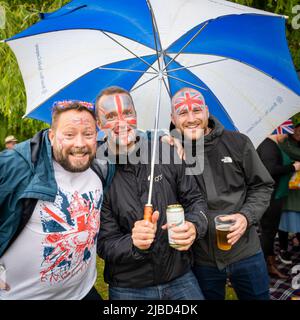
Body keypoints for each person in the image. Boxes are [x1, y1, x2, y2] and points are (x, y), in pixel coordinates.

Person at [95, 86, 208, 300]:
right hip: (128, 287)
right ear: (99, 124)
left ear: (136, 116)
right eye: (110, 116)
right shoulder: (97, 173)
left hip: (179, 276)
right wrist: (133, 244)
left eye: (127, 113)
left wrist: (195, 225)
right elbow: (104, 242)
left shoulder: (165, 151)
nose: (121, 123)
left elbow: (196, 201)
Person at [169, 87, 274, 300]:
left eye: (197, 110)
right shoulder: (169, 152)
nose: (191, 119)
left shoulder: (238, 142)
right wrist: (166, 148)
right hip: (201, 257)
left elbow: (262, 185)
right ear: (172, 118)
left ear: (207, 112)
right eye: (182, 113)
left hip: (245, 251)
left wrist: (246, 216)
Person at [0, 100, 108, 300]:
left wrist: (172, 142)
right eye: (69, 134)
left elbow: (132, 141)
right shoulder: (15, 167)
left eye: (88, 134)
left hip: (84, 293)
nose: (80, 143)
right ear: (51, 136)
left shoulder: (102, 167)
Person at [256, 132, 300, 278]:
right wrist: (293, 167)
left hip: (276, 195)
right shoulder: (269, 147)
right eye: (287, 134)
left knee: (269, 232)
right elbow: (270, 170)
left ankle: (269, 264)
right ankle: (264, 268)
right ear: (278, 132)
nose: (288, 136)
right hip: (271, 197)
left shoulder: (273, 145)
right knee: (268, 233)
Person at [277, 113, 300, 264]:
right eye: (298, 130)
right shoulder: (284, 142)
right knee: (285, 219)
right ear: (293, 129)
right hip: (287, 188)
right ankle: (283, 248)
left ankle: (297, 239)